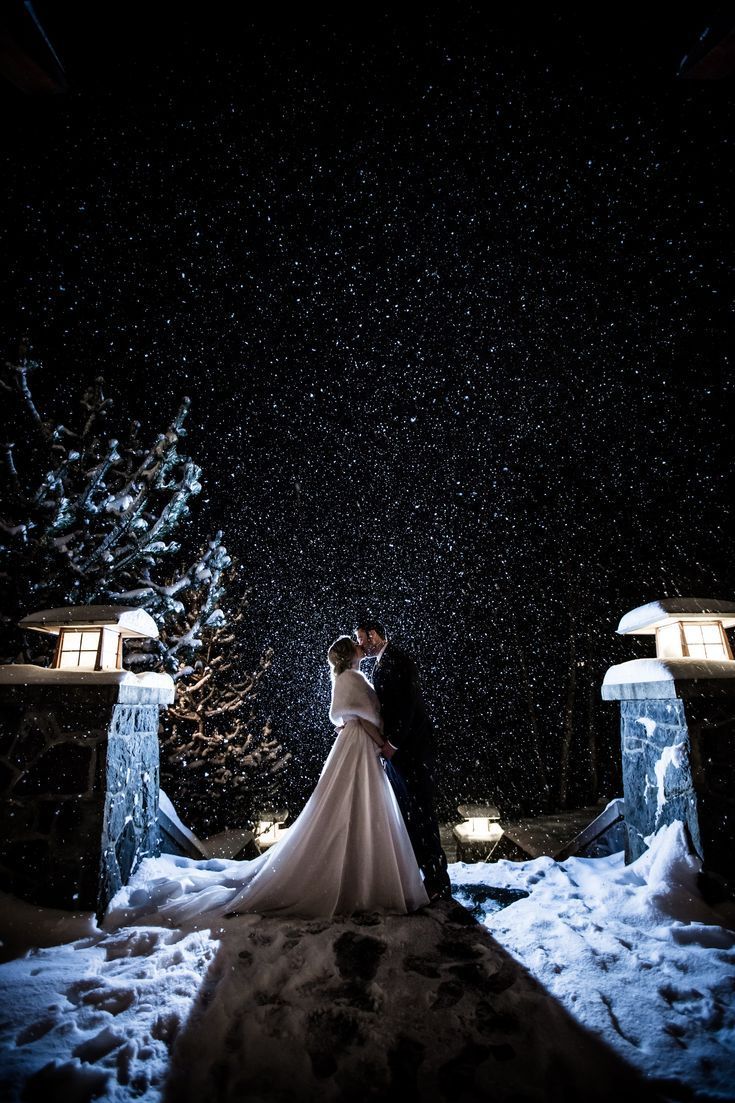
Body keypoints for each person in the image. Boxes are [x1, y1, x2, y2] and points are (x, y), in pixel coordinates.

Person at [207, 634, 429, 919]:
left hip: (353, 742)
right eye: (357, 644)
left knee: (352, 799)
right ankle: (365, 875)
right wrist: (383, 743)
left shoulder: (348, 678)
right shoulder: (354, 679)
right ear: (351, 654)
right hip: (359, 744)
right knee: (361, 798)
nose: (363, 646)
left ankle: (356, 869)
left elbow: (344, 716)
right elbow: (363, 717)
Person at [355, 620, 452, 902]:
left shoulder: (398, 659)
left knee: (422, 813)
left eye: (361, 637)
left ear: (373, 635)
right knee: (409, 815)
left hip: (413, 751)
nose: (360, 643)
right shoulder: (382, 662)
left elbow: (408, 706)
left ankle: (438, 881)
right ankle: (421, 877)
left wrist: (392, 743)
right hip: (400, 753)